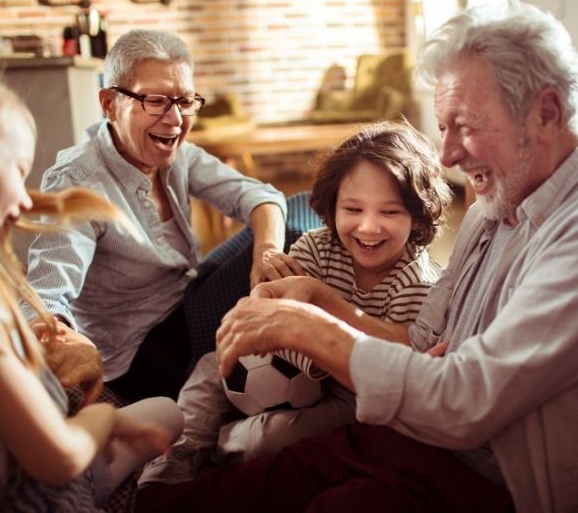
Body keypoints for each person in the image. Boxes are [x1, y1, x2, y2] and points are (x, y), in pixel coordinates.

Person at [135, 0, 578, 513]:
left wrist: (306, 325)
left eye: (465, 126)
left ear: (547, 112)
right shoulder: (492, 208)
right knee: (271, 478)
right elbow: (423, 344)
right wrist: (320, 299)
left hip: (502, 483)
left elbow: (466, 398)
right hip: (429, 437)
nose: (446, 155)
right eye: (443, 127)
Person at [138, 120, 453, 486]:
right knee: (212, 365)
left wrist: (317, 325)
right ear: (332, 206)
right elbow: (266, 299)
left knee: (268, 440)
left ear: (417, 216)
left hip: (350, 394)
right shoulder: (315, 247)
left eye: (389, 212)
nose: (368, 227)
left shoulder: (419, 282)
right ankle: (176, 456)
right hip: (286, 363)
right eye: (353, 209)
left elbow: (396, 362)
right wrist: (267, 306)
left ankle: (225, 447)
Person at [0, 64, 184, 512]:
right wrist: (102, 422)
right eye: (17, 171)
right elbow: (59, 457)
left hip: (25, 460)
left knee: (166, 413)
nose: (23, 199)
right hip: (26, 493)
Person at [22, 29, 292, 403]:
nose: (175, 119)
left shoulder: (178, 156)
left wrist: (266, 251)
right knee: (297, 230)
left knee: (290, 219)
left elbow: (260, 196)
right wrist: (65, 344)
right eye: (156, 101)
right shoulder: (78, 181)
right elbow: (45, 294)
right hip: (138, 355)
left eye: (184, 101)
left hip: (186, 301)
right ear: (109, 103)